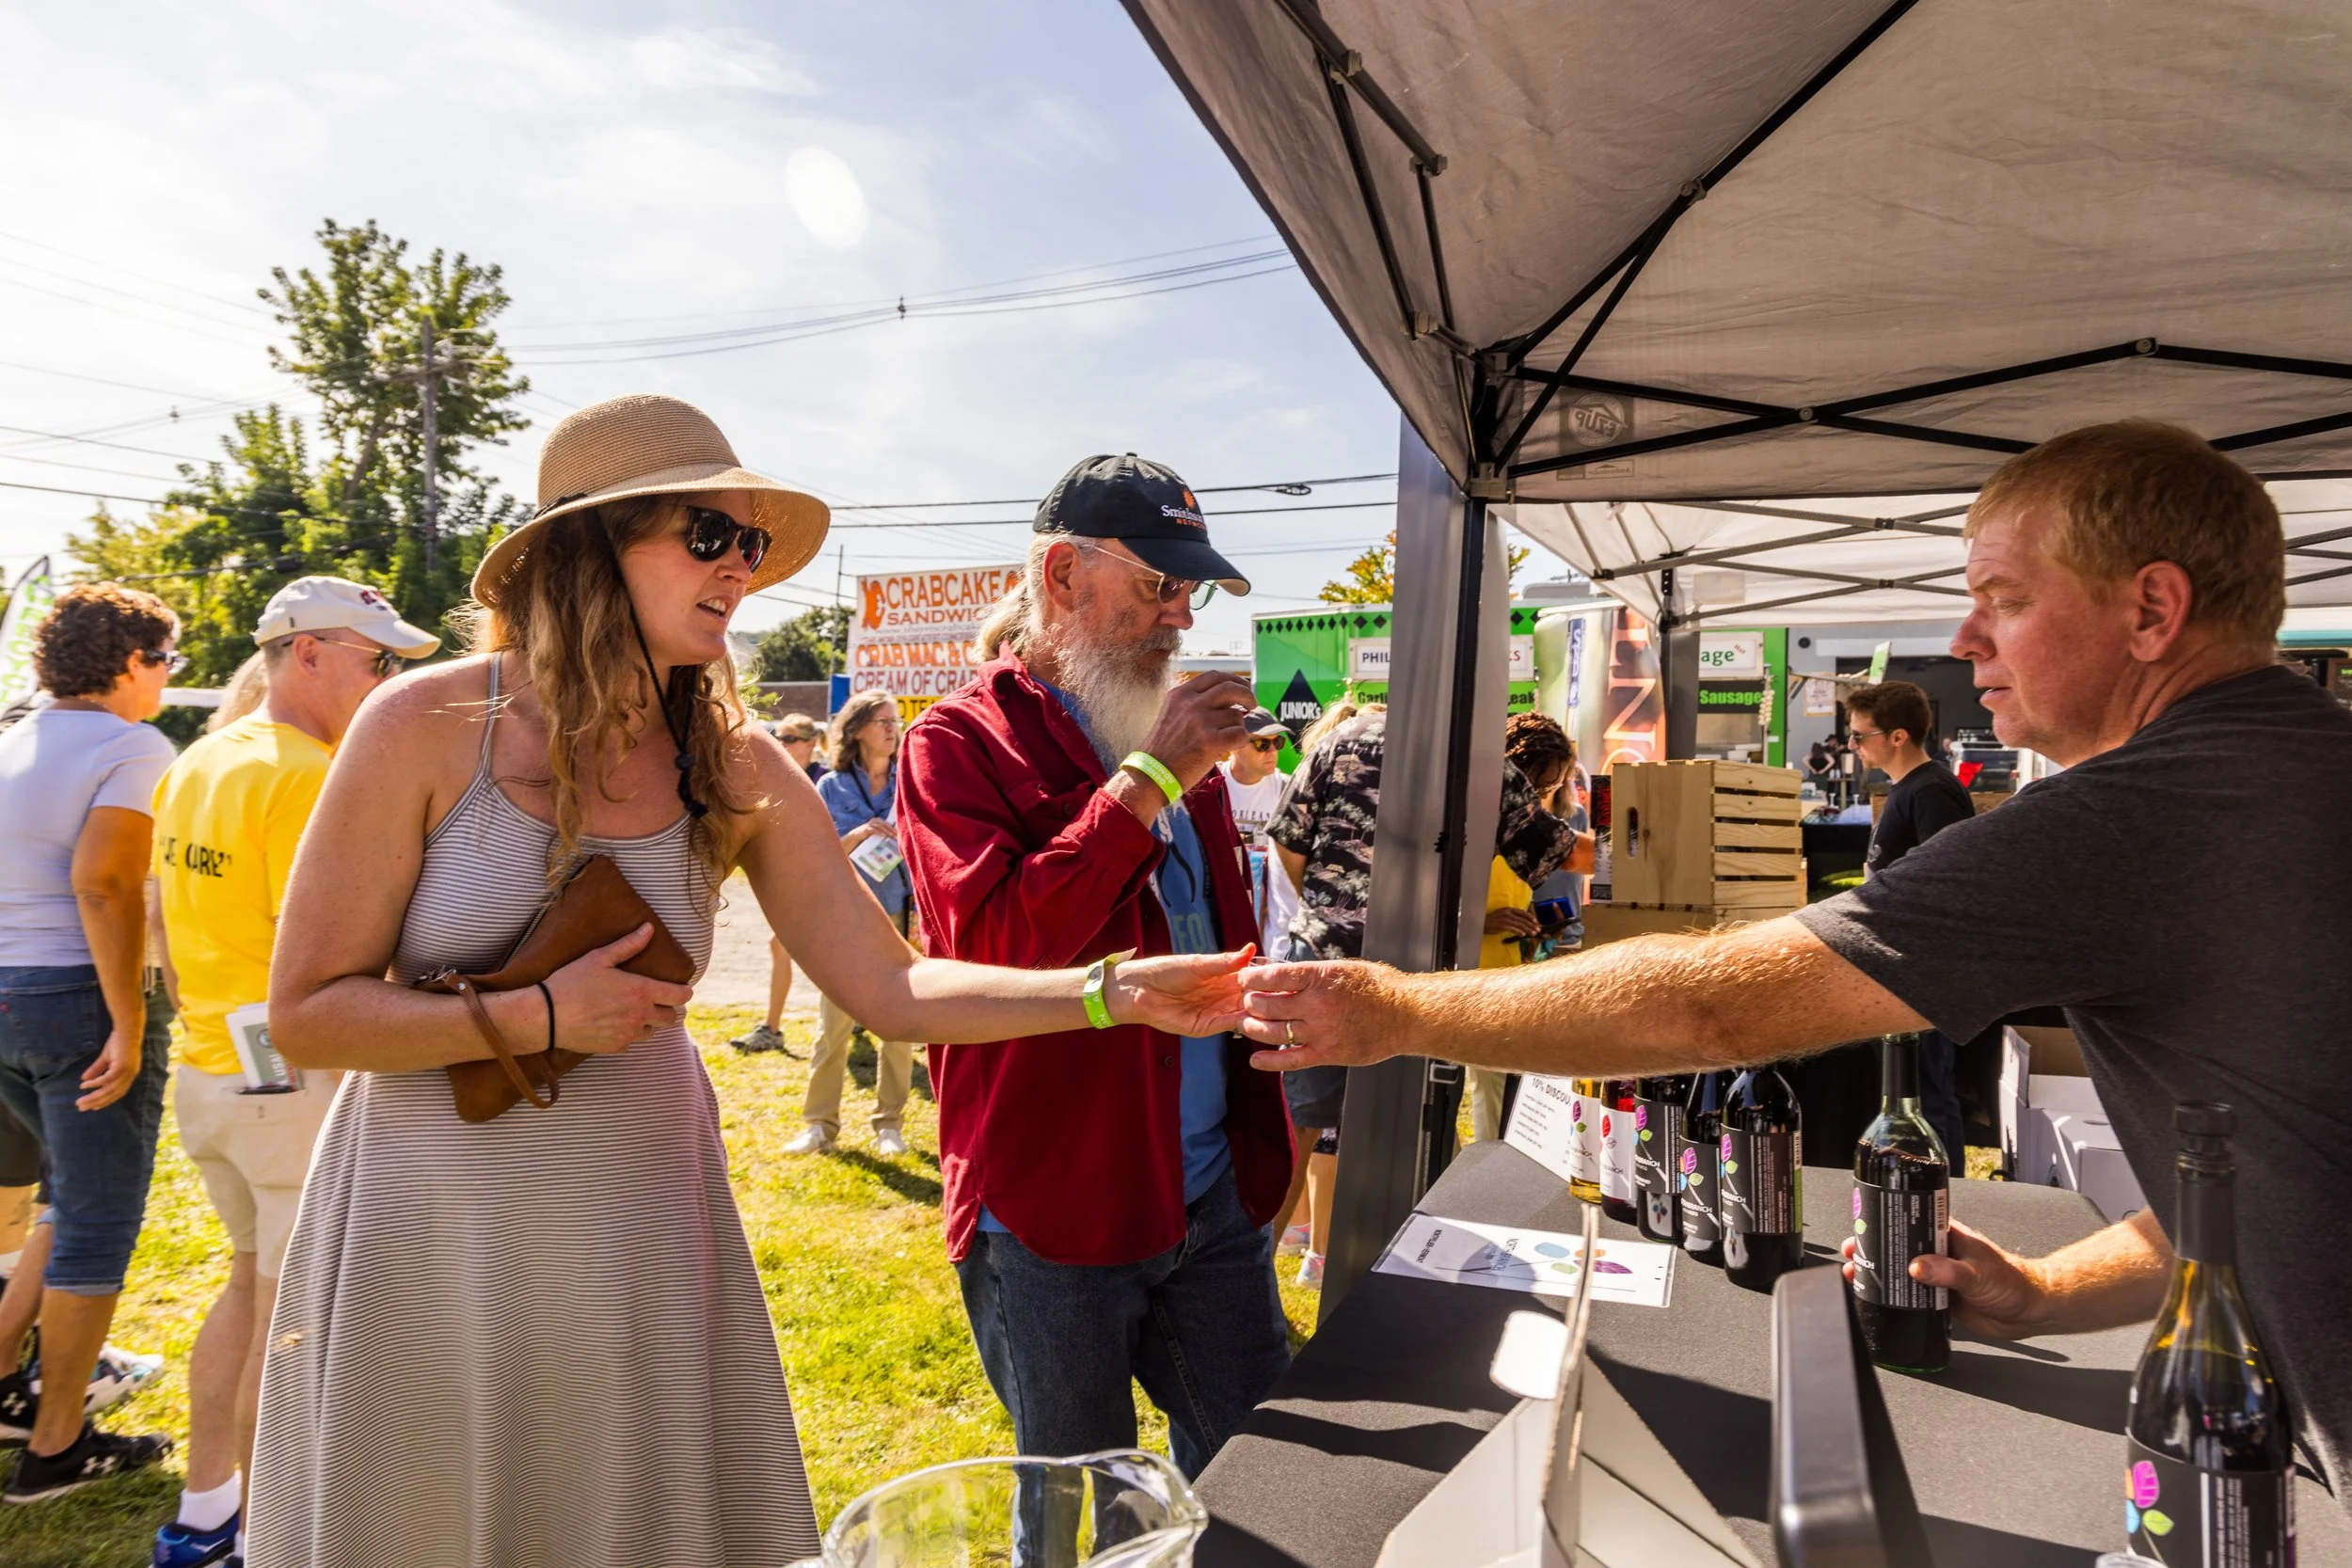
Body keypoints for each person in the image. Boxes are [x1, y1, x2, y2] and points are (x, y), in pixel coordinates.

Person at [1239, 420, 2352, 1504]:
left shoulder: (2145, 812)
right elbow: (2270, 1169)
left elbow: (1709, 1010)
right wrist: (2049, 1288)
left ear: (2152, 608)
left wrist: (1387, 1006)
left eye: (2003, 600)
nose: (1968, 641)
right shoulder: (2287, 769)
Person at [246, 396, 1255, 1568]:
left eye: (752, 543)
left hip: (639, 1223)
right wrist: (540, 1015)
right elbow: (306, 1013)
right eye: (709, 535)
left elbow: (896, 988)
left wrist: (1110, 992)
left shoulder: (734, 758)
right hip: (436, 1230)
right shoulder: (422, 720)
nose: (743, 567)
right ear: (587, 547)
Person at [897, 451, 1291, 1479]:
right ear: (1063, 576)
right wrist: (1150, 774)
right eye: (1158, 584)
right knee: (1078, 1506)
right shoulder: (955, 740)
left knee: (1260, 1484)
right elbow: (995, 952)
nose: (1180, 618)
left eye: (1188, 589)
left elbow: (1214, 939)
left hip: (1212, 1200)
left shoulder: (1178, 742)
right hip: (1056, 1206)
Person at [148, 578, 438, 1567]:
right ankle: (266, 1533)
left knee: (249, 1289)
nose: (389, 678)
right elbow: (326, 953)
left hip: (209, 1071)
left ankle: (204, 1514)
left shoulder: (202, 756)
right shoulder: (311, 770)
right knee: (289, 1315)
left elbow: (167, 929)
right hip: (282, 1075)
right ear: (307, 651)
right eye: (377, 658)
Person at [1266, 700, 1590, 1284]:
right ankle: (1406, 1277)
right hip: (1421, 980)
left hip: (1322, 962)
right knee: (1418, 1120)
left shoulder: (1341, 740)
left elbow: (1290, 843)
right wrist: (1656, 834)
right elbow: (1565, 853)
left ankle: (1257, 1279)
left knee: (1299, 1127)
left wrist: (1333, 911)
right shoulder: (1482, 759)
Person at [0, 583, 181, 1499]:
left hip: (5, 997)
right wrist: (130, 1017)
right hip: (77, 997)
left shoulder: (13, 738)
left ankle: (1, 1385)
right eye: (167, 661)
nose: (167, 681)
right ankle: (56, 1444)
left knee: (64, 1201)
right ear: (130, 663)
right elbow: (105, 883)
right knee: (97, 1224)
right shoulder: (133, 744)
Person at [785, 689, 920, 1157]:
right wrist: (860, 832)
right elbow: (816, 854)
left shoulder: (913, 780)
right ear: (857, 728)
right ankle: (820, 1125)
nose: (891, 728)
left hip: (899, 913)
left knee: (900, 1025)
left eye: (894, 721)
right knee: (833, 1025)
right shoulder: (831, 786)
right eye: (882, 720)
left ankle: (889, 1124)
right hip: (845, 917)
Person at [1846, 678, 1973, 1164]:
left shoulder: (1933, 790)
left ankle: (1945, 1196)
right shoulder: (1910, 789)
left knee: (1927, 1095)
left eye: (1861, 736)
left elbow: (1946, 882)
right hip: (1903, 967)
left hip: (1923, 969)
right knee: (1913, 1091)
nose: (1854, 746)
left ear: (1897, 736)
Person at [1467, 714, 1581, 1144]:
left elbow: (1513, 895)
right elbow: (1428, 904)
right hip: (1463, 976)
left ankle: (1493, 1167)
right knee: (1485, 1091)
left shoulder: (1528, 830)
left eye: (1551, 786)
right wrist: (1480, 923)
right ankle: (1481, 1171)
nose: (1542, 796)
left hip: (1508, 972)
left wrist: (1535, 928)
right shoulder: (1477, 820)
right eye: (1539, 784)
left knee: (1500, 1087)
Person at [729, 713, 826, 1056]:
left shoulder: (824, 780)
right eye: (777, 738)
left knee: (786, 946)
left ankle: (773, 1028)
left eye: (789, 739)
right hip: (793, 881)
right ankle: (776, 1027)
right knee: (782, 947)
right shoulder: (780, 779)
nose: (780, 745)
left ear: (811, 743)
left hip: (823, 885)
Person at [1219, 706, 1293, 947]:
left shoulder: (1287, 789)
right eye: (1262, 744)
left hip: (1267, 918)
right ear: (1234, 745)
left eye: (1277, 742)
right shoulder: (1211, 786)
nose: (1272, 751)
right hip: (1225, 908)